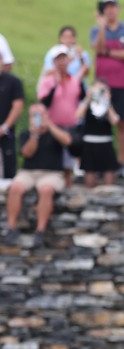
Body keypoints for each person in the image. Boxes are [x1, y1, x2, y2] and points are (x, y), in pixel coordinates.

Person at [1, 104, 72, 248]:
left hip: (51, 173)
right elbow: (27, 153)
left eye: (41, 114)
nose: (38, 118)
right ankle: (11, 228)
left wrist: (49, 125)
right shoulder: (26, 133)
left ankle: (40, 231)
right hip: (29, 172)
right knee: (15, 188)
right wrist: (35, 135)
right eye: (34, 115)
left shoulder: (56, 131)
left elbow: (68, 141)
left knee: (46, 190)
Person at [89, 0, 124, 170]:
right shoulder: (96, 30)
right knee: (100, 122)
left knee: (122, 122)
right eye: (106, 8)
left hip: (122, 83)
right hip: (102, 84)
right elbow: (98, 48)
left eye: (113, 7)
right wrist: (102, 28)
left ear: (118, 9)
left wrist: (109, 53)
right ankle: (102, 160)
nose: (110, 11)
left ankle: (121, 161)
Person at [37, 45, 86, 187]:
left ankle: (68, 195)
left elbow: (81, 97)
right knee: (53, 165)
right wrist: (55, 85)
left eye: (64, 59)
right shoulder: (47, 81)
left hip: (70, 128)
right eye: (58, 59)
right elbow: (44, 102)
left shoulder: (74, 81)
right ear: (53, 62)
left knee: (67, 167)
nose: (61, 62)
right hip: (52, 128)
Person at [75, 77, 120, 187]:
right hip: (89, 143)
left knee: (109, 180)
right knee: (89, 180)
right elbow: (78, 116)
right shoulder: (88, 103)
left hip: (106, 142)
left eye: (102, 89)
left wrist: (107, 101)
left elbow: (114, 121)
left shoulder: (109, 103)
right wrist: (88, 98)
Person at [0, 51, 25, 179]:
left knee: (8, 170)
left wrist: (4, 127)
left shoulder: (13, 82)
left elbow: (18, 106)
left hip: (6, 133)